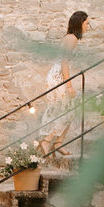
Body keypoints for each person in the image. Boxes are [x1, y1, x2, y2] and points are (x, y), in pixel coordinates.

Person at [37, 10, 90, 161]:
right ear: (80, 23)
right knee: (66, 109)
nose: (88, 27)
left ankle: (58, 143)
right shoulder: (72, 39)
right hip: (58, 77)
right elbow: (64, 63)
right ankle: (48, 141)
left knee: (67, 110)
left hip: (54, 75)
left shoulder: (67, 37)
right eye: (87, 23)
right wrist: (69, 86)